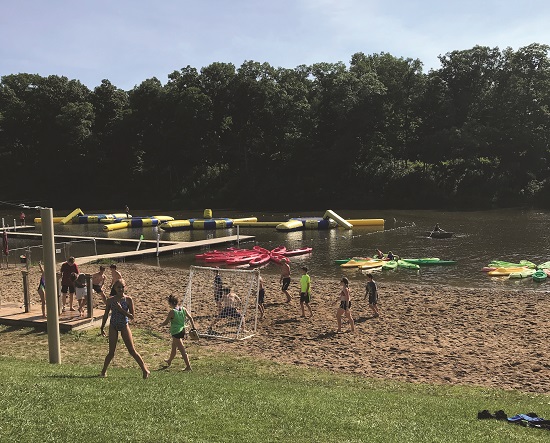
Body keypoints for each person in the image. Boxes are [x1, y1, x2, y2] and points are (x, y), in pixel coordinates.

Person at [100, 279, 150, 379]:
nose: (121, 289)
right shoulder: (110, 300)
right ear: (115, 288)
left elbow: (132, 316)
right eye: (119, 287)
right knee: (111, 352)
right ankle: (103, 371)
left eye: (122, 287)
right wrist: (102, 327)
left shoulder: (128, 299)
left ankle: (145, 370)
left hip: (124, 325)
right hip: (113, 325)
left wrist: (121, 310)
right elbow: (105, 315)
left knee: (132, 350)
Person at [159, 294, 196, 371]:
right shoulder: (183, 309)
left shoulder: (172, 312)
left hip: (176, 332)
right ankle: (169, 361)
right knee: (173, 347)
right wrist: (193, 327)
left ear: (171, 303)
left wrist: (161, 325)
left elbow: (166, 322)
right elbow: (190, 318)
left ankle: (188, 366)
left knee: (182, 349)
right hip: (182, 330)